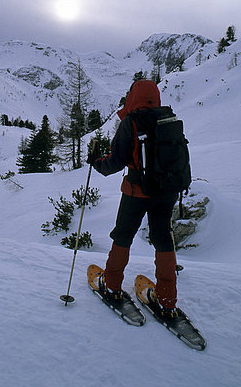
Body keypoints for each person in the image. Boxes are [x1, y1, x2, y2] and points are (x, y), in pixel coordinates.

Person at [88, 79, 179, 318]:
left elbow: (115, 162)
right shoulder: (169, 119)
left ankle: (113, 285)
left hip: (137, 191)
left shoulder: (131, 122)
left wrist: (96, 163)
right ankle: (167, 299)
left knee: (123, 235)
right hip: (167, 191)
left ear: (133, 97)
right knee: (163, 239)